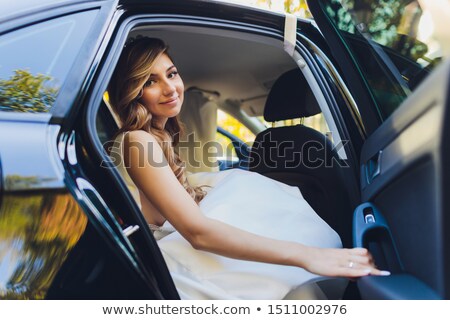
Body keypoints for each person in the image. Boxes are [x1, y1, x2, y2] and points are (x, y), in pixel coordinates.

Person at [107, 37, 389, 299]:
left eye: (172, 73)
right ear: (132, 92)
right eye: (150, 81)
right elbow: (197, 232)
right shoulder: (137, 140)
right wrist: (307, 255)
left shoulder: (154, 137)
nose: (170, 88)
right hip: (177, 268)